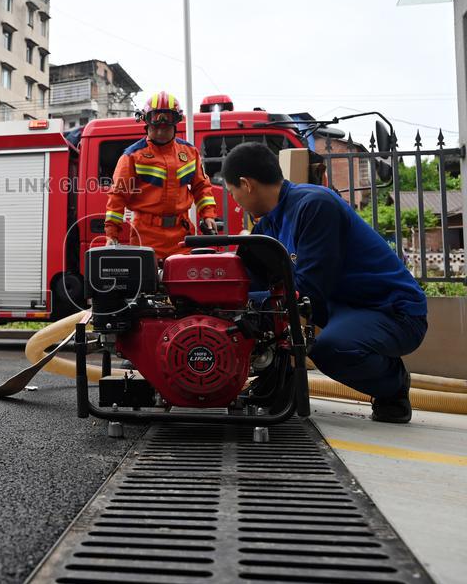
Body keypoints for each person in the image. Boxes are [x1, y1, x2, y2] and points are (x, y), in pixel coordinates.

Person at [221, 142, 428, 423]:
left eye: (232, 192)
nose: (234, 201)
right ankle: (275, 379)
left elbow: (309, 293)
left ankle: (393, 386)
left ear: (246, 185)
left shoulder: (315, 205)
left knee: (332, 349)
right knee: (260, 309)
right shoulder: (269, 223)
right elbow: (247, 279)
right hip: (343, 307)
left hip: (392, 311)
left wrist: (248, 305)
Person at [104, 91, 218, 259]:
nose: (160, 132)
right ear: (146, 124)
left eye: (165, 128)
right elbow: (117, 197)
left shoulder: (190, 152)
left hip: (182, 235)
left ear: (175, 125)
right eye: (155, 127)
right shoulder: (132, 156)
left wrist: (208, 215)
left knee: (183, 282)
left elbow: (201, 187)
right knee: (148, 285)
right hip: (145, 236)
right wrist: (111, 235)